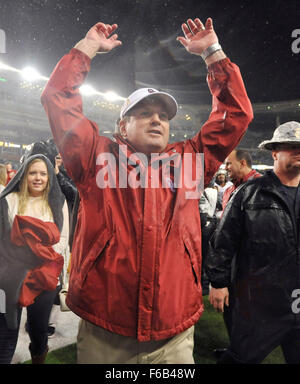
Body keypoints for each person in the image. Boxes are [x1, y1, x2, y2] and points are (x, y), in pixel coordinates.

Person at [41, 18, 253, 364]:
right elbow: (58, 97)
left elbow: (236, 114)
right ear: (122, 125)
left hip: (174, 331)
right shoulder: (95, 155)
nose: (157, 120)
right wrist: (88, 46)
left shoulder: (191, 160)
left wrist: (213, 54)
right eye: (144, 113)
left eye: (163, 116)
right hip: (105, 329)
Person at [206, 121, 300, 364]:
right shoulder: (249, 191)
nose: (298, 151)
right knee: (241, 358)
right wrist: (218, 282)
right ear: (275, 152)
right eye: (291, 146)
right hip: (258, 302)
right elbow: (223, 239)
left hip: (298, 300)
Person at [0, 154, 69, 364]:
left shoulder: (57, 202)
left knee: (39, 331)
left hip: (44, 277)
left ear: (49, 177)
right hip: (10, 276)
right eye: (32, 173)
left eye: (43, 173)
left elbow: (63, 239)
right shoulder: (8, 200)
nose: (38, 178)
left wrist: (34, 250)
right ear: (23, 175)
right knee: (6, 330)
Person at [210, 149, 261, 359]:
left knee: (250, 309)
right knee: (232, 307)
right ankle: (236, 348)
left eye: (229, 164)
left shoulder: (262, 187)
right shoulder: (231, 188)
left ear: (242, 162)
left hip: (252, 261)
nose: (226, 168)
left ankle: (246, 352)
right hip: (232, 258)